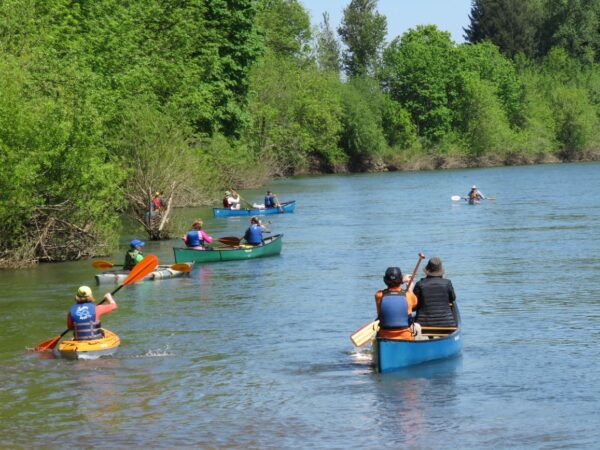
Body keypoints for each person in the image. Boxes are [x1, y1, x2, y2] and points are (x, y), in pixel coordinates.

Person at [375, 267, 419, 340]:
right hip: (406, 337)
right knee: (416, 326)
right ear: (400, 279)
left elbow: (389, 294)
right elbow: (414, 304)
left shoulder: (379, 295)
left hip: (384, 336)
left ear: (385, 280)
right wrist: (410, 289)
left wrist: (401, 281)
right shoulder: (409, 295)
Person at [413, 257, 457, 328]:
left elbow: (413, 304)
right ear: (440, 270)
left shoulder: (419, 284)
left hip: (422, 325)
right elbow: (453, 298)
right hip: (447, 323)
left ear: (427, 270)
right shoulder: (447, 283)